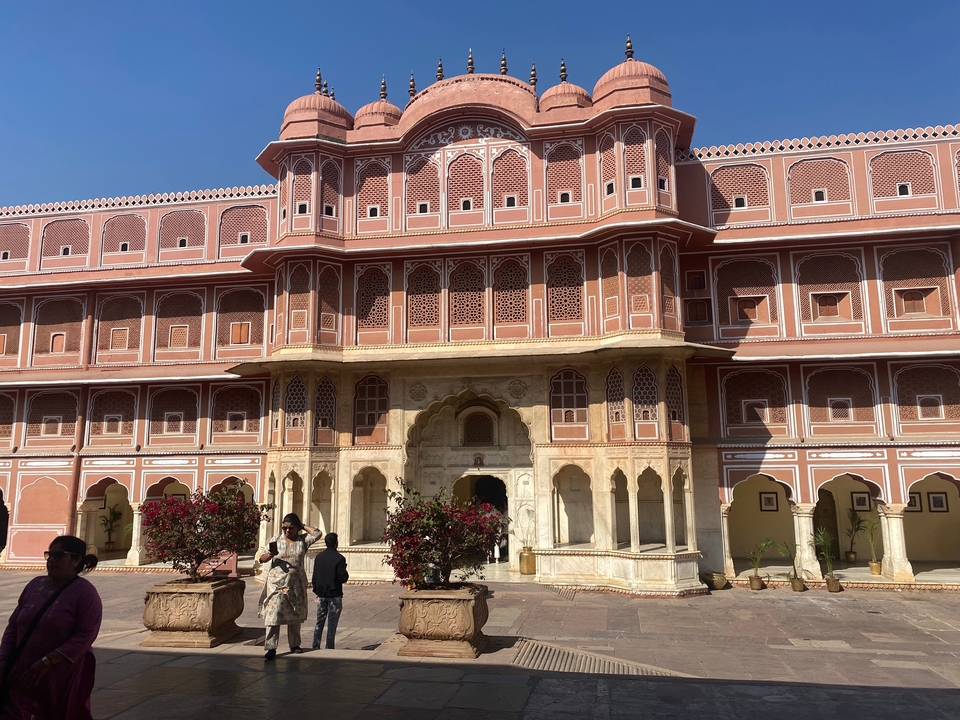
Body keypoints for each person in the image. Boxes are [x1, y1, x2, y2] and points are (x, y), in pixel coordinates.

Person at [0, 535, 102, 720]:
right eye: (50, 555)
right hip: (22, 668)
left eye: (59, 555)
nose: (52, 560)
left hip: (58, 675)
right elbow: (14, 625)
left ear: (76, 560)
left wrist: (47, 661)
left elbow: (86, 634)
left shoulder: (85, 593)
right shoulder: (34, 585)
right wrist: (3, 658)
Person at [257, 513, 321, 659]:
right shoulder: (276, 540)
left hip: (295, 585)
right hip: (277, 585)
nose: (287, 531)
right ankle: (271, 647)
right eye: (284, 527)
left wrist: (302, 525)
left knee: (295, 614)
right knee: (274, 615)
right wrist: (271, 554)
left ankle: (295, 644)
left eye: (291, 528)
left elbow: (317, 533)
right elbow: (262, 558)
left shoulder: (302, 541)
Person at [311, 533, 348, 650]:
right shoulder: (339, 558)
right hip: (334, 595)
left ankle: (315, 645)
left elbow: (315, 577)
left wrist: (317, 591)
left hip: (322, 594)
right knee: (332, 623)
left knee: (319, 621)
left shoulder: (319, 557)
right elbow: (343, 578)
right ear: (336, 543)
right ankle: (329, 647)